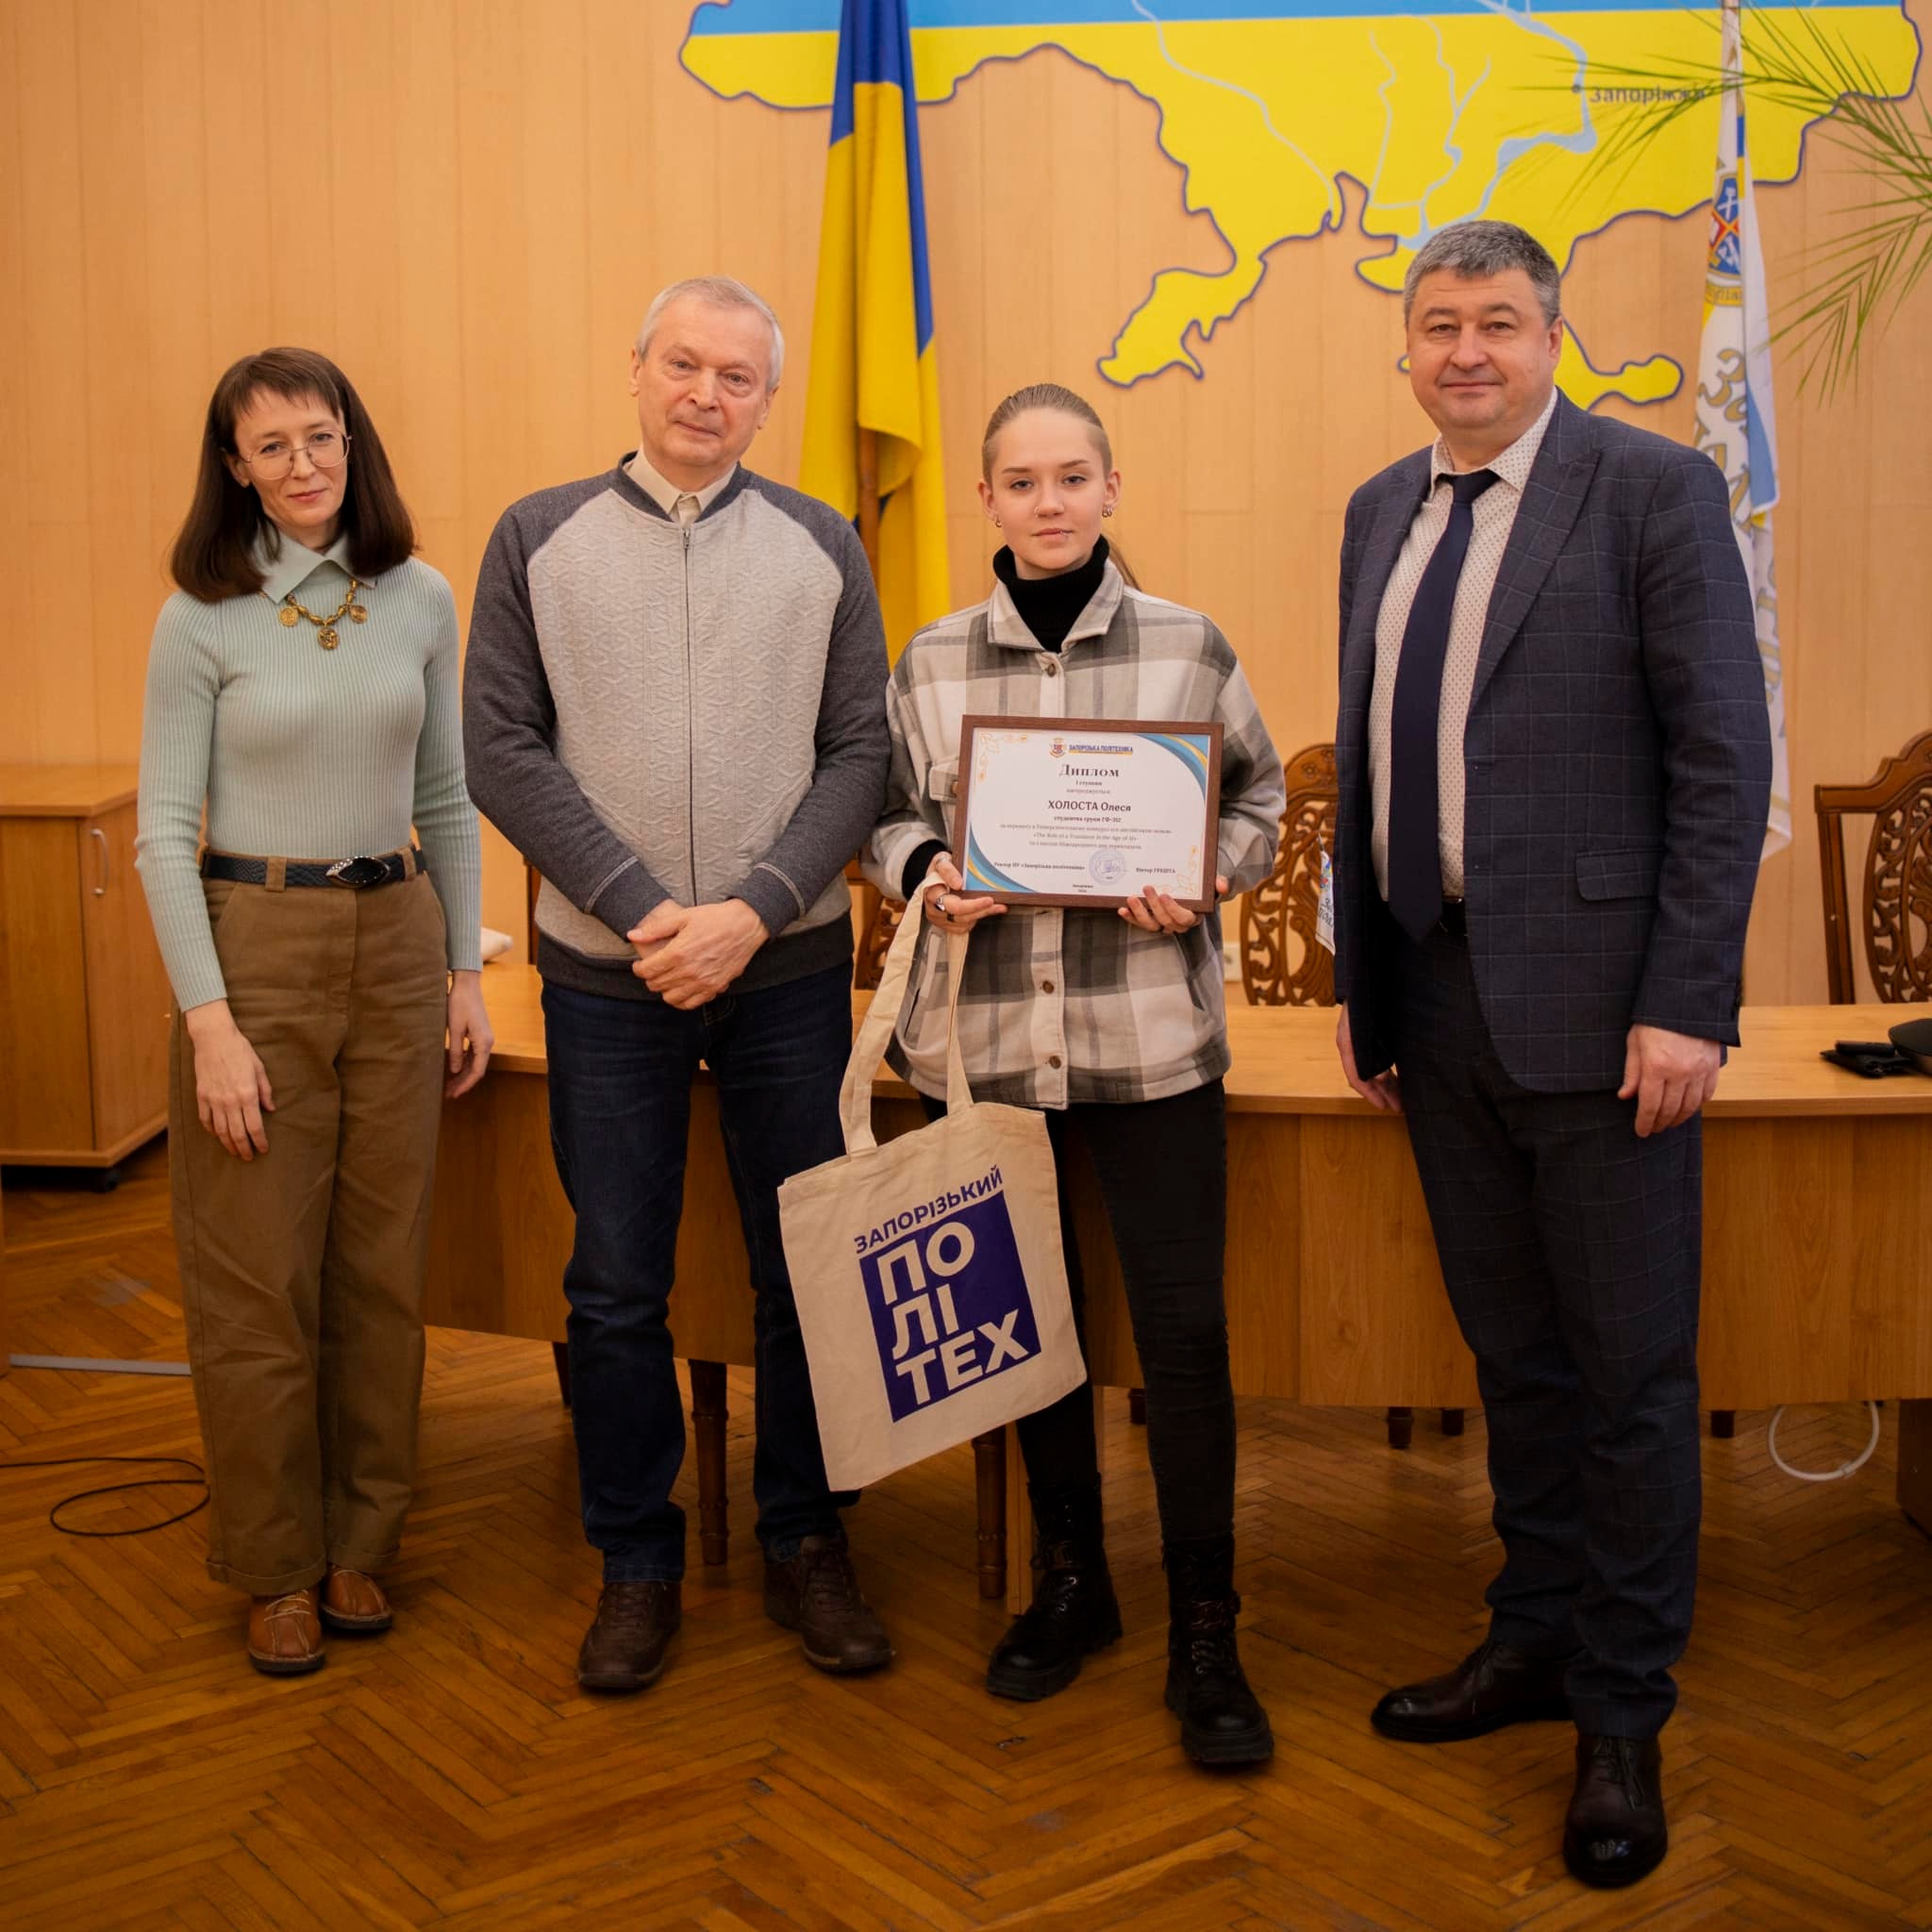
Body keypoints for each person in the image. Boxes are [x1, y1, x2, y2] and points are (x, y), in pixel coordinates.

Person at [1331, 221, 1772, 1887]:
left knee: (1628, 1377)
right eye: (1438, 324)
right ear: (1408, 349)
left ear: (1551, 339)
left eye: (1498, 322)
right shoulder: (1381, 507)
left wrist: (1690, 998)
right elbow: (1376, 757)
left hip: (1608, 1019)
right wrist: (1372, 992)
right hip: (1437, 1001)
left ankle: (1622, 1712)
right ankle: (1533, 1635)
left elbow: (1722, 760)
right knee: (1513, 1359)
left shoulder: (1652, 492)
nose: (1466, 351)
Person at [463, 276, 893, 1694]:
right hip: (608, 976)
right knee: (613, 1285)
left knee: (802, 1265)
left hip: (787, 970)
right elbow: (501, 748)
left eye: (738, 376)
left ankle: (804, 1536)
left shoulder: (823, 543)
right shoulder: (537, 536)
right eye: (684, 365)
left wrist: (754, 911)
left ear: (768, 400)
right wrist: (649, 912)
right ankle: (635, 1559)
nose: (707, 394)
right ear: (636, 369)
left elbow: (861, 754)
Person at [866, 382, 1286, 1766]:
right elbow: (886, 816)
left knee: (1183, 1342)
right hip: (991, 1055)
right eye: (1021, 481)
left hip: (1148, 1045)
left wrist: (1203, 874)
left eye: (1071, 478)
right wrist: (927, 871)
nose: (1047, 503)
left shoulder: (1187, 645)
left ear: (1112, 489)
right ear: (987, 500)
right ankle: (1073, 1585)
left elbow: (1261, 801)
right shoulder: (932, 661)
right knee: (1029, 1334)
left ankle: (1207, 1628)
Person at [136, 347, 491, 1676]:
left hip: (396, 942)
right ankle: (275, 1562)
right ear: (235, 466)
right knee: (256, 1277)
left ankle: (361, 1544)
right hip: (257, 945)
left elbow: (448, 799)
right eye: (272, 445)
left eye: (322, 436)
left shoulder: (421, 597)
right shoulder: (201, 617)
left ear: (354, 441)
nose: (303, 465)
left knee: (381, 1270)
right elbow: (163, 836)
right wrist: (209, 1023)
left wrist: (462, 972)